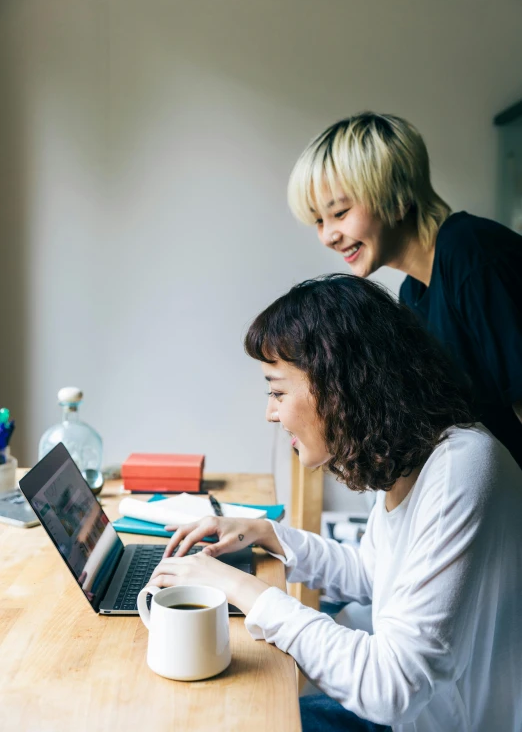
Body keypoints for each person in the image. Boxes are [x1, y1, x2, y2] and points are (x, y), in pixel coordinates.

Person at [147, 275, 522, 732]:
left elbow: (393, 688)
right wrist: (270, 536)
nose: (270, 412)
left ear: (340, 386)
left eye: (278, 391)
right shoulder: (413, 458)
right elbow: (374, 576)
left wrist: (241, 588)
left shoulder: (463, 466)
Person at [286, 112, 522, 468]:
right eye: (319, 220)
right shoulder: (412, 295)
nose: (328, 235)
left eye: (340, 212)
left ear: (397, 196)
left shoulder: (472, 255)